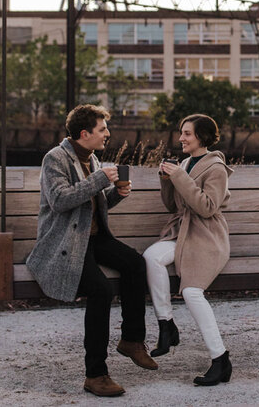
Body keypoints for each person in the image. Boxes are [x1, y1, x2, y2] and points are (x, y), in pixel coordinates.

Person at [25, 104, 157, 398]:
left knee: (136, 264)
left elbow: (91, 206)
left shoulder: (92, 158)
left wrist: (115, 195)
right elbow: (60, 200)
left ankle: (132, 341)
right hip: (65, 243)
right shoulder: (55, 159)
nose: (107, 134)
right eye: (102, 129)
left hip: (92, 238)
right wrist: (99, 180)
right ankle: (95, 374)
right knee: (100, 291)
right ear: (84, 133)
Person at [143, 113, 233, 386]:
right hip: (182, 233)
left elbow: (207, 207)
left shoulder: (216, 168)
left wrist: (180, 176)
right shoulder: (184, 163)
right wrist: (166, 179)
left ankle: (220, 360)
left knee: (192, 292)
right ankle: (166, 326)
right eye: (182, 133)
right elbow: (173, 207)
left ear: (202, 138)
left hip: (207, 237)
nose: (181, 138)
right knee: (152, 257)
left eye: (187, 134)